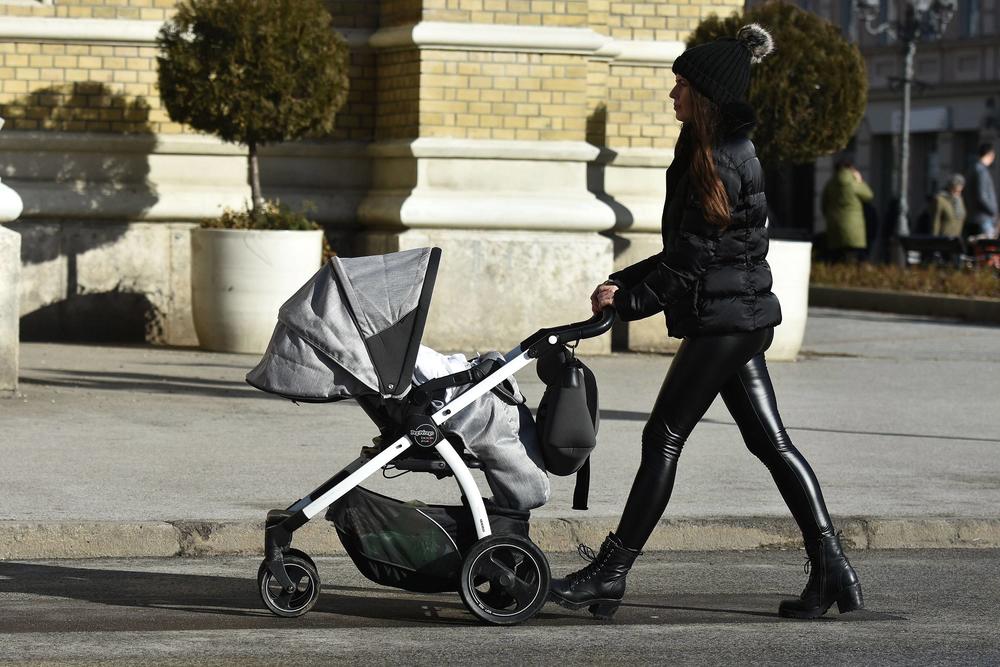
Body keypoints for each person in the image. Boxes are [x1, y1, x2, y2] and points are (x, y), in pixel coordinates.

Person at [548, 24, 863, 621]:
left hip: (725, 322)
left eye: (681, 86)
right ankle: (832, 567)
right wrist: (627, 283)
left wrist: (630, 304)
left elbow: (691, 262)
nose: (672, 95)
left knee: (662, 436)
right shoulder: (709, 149)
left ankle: (611, 573)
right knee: (770, 443)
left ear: (706, 95)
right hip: (736, 317)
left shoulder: (716, 159)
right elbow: (684, 248)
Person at [822, 158, 874, 262]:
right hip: (854, 229)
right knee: (857, 258)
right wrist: (860, 181)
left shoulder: (830, 184)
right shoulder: (854, 183)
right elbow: (869, 196)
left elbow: (823, 206)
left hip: (834, 227)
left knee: (836, 259)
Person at [964, 142, 998, 238]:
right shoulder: (981, 171)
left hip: (973, 217)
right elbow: (982, 196)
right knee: (986, 249)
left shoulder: (972, 169)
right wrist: (993, 211)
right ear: (990, 154)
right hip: (983, 218)